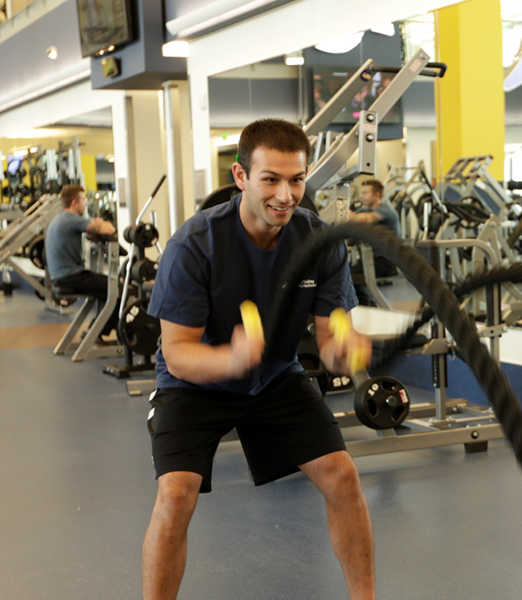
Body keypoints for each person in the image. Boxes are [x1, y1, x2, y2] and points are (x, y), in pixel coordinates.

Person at [141, 119, 375, 600]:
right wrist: (231, 358)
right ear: (241, 176)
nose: (286, 195)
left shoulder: (318, 241)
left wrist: (344, 352)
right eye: (271, 179)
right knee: (176, 492)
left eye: (296, 179)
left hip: (274, 377)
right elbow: (177, 355)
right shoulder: (195, 245)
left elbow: (331, 341)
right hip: (196, 383)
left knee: (342, 474)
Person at [44, 184, 118, 336]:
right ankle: (97, 332)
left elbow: (94, 230)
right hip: (71, 276)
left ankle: (96, 330)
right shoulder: (72, 219)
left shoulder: (60, 218)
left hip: (62, 276)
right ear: (74, 203)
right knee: (117, 289)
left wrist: (96, 225)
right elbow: (109, 229)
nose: (85, 203)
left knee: (106, 288)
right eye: (83, 200)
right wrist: (99, 223)